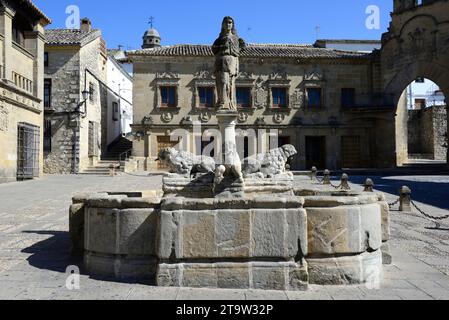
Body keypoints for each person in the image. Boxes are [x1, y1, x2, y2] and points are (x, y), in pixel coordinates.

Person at [212, 16, 246, 112]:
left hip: (231, 62)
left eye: (230, 22)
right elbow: (214, 50)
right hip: (221, 61)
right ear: (222, 25)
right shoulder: (218, 40)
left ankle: (229, 103)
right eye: (226, 22)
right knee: (222, 82)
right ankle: (222, 102)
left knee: (230, 83)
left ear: (232, 25)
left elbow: (238, 52)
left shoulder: (236, 39)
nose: (228, 24)